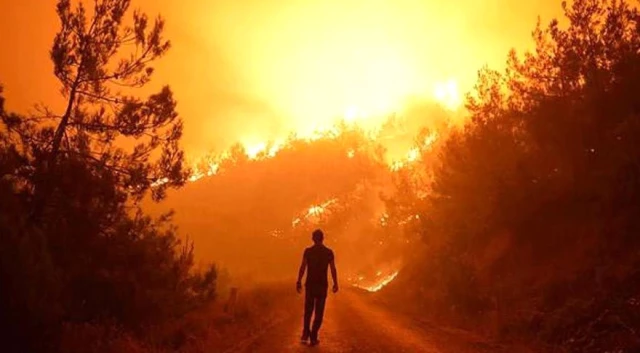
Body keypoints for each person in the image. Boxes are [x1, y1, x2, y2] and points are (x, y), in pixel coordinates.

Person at [296, 229, 338, 346]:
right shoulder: (329, 252)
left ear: (313, 239)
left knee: (308, 311)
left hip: (310, 285)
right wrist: (335, 283)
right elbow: (333, 269)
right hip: (322, 286)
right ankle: (313, 336)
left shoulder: (308, 251)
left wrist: (299, 281)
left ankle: (305, 334)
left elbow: (303, 267)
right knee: (319, 313)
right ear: (322, 238)